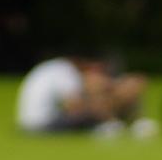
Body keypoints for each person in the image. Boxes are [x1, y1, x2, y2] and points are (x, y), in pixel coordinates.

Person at [13, 54, 153, 137]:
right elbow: (73, 104)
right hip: (41, 124)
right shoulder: (65, 71)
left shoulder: (53, 67)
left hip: (29, 122)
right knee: (90, 111)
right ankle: (108, 126)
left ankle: (113, 124)